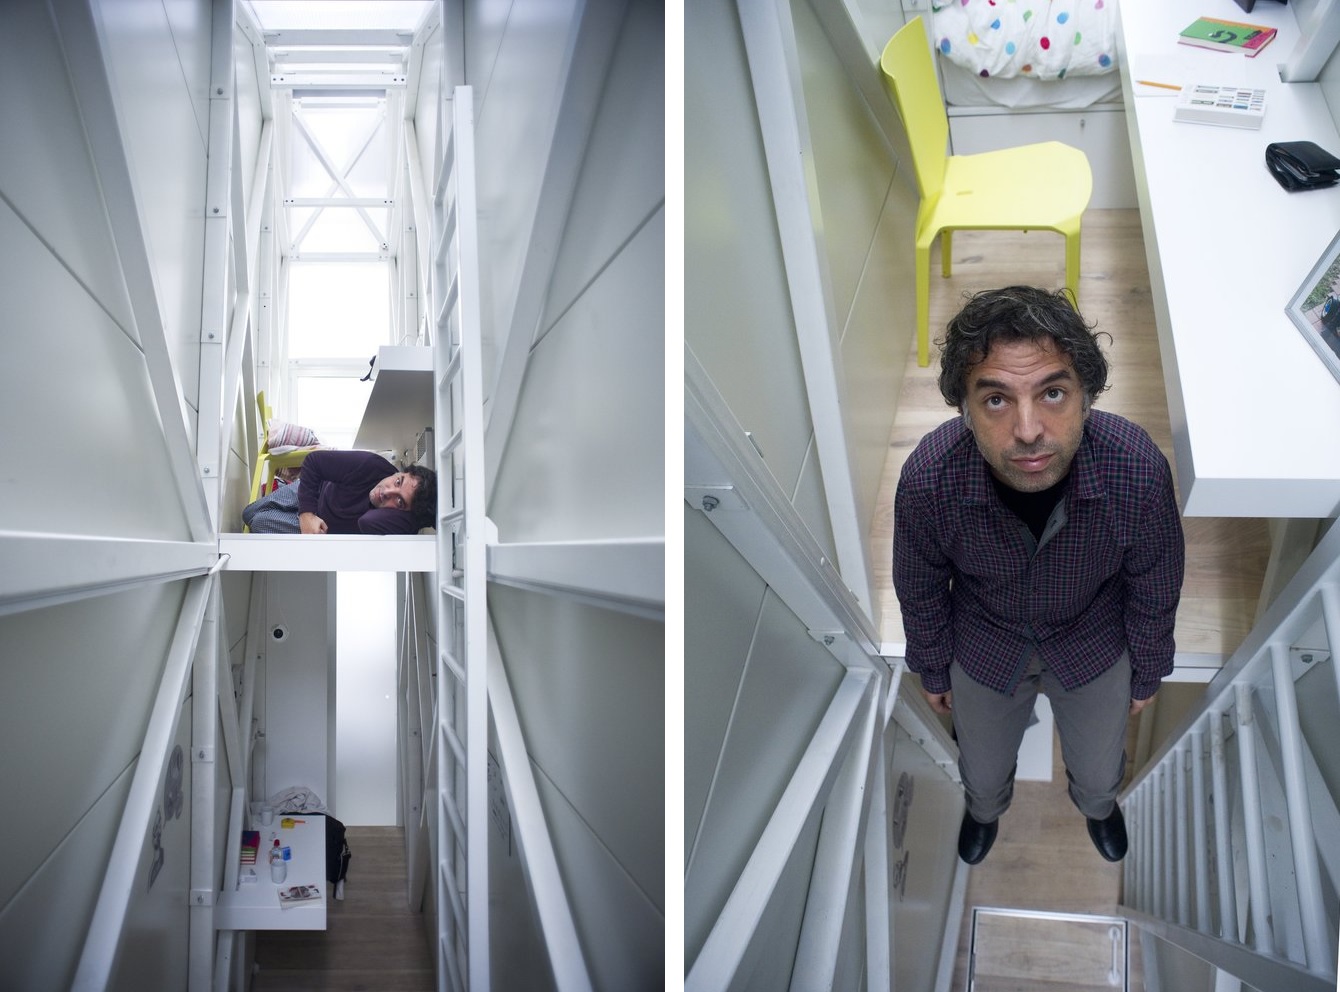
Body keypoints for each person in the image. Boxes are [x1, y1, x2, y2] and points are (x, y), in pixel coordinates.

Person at [892, 286, 1184, 866]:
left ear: (1087, 396)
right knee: (981, 759)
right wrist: (931, 662)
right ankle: (983, 810)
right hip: (985, 638)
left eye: (1052, 393)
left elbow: (1155, 585)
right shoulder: (929, 479)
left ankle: (1099, 807)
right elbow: (920, 585)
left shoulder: (1138, 470)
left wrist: (1148, 670)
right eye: (996, 400)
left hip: (1092, 636)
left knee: (1101, 763)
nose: (1028, 430)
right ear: (964, 408)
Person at [243, 449, 437, 535]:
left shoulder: (394, 523)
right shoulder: (371, 466)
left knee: (258, 523)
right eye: (398, 481)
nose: (388, 491)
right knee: (248, 513)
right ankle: (287, 490)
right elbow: (314, 461)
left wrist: (413, 518)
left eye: (400, 501)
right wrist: (306, 513)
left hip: (320, 527)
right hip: (313, 491)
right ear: (400, 472)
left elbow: (366, 521)